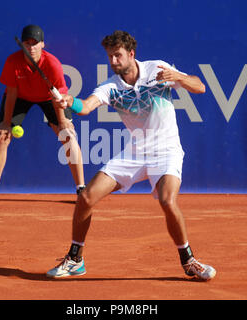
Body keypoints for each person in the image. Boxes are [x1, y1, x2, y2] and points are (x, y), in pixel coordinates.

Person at [46, 30, 216, 280]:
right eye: (110, 57)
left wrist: (177, 75)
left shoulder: (157, 69)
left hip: (167, 151)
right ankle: (75, 259)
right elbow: (86, 107)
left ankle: (188, 260)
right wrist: (69, 102)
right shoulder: (110, 87)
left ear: (131, 54)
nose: (113, 61)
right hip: (134, 154)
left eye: (118, 55)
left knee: (168, 201)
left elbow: (199, 87)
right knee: (86, 197)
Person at [0, 25, 85, 206]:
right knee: (2, 137)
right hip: (20, 96)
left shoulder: (52, 64)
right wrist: (6, 123)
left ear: (42, 44)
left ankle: (81, 190)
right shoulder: (13, 62)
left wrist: (62, 123)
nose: (31, 47)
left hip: (50, 98)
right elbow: (11, 93)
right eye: (27, 43)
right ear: (22, 45)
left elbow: (57, 95)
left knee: (68, 136)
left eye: (35, 43)